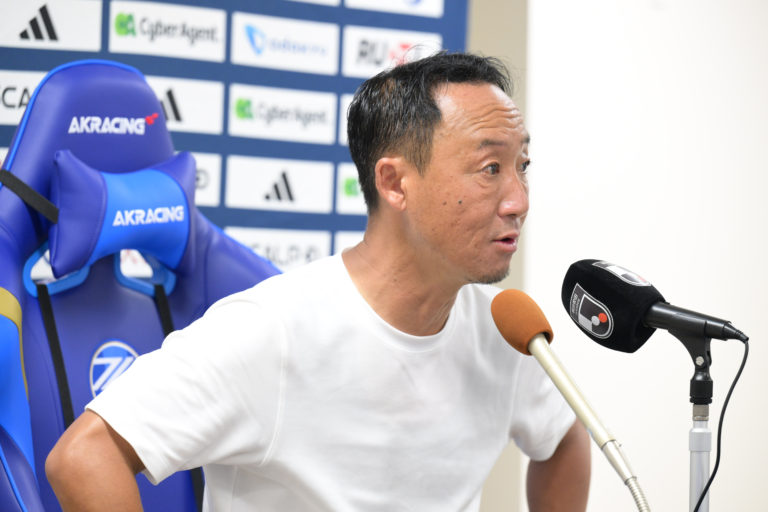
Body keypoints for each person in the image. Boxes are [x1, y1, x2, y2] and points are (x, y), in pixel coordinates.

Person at [45, 51, 591, 511]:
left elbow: (566, 436)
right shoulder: (273, 332)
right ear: (395, 183)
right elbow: (83, 457)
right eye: (491, 169)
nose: (518, 200)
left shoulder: (506, 332)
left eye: (522, 166)